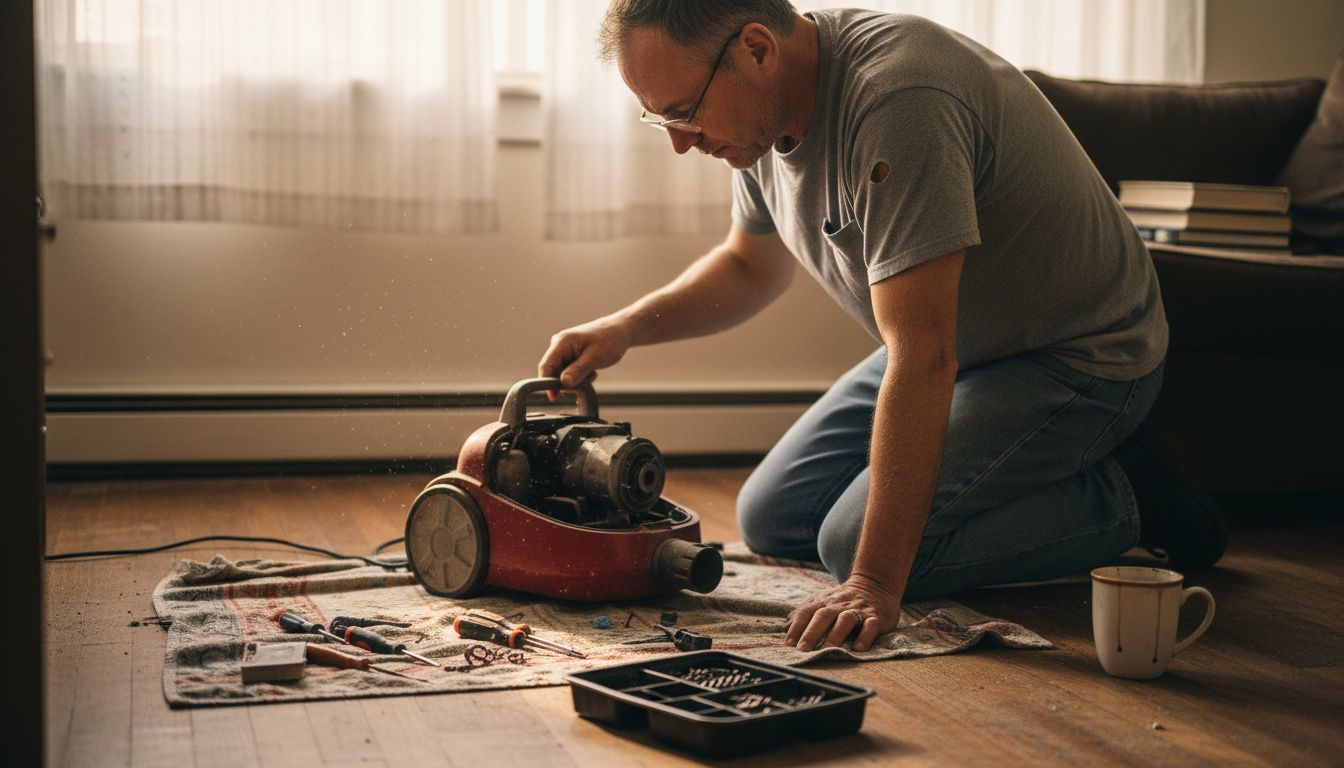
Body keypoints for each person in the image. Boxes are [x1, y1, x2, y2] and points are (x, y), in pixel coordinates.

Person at [538, 0, 1227, 653]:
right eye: (662, 121)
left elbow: (923, 357)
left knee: (855, 549)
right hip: (957, 341)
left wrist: (872, 583)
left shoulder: (898, 101)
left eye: (684, 114)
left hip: (1076, 354)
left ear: (756, 48)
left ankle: (1132, 497)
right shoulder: (755, 115)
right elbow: (751, 266)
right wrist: (627, 327)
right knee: (774, 517)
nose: (682, 144)